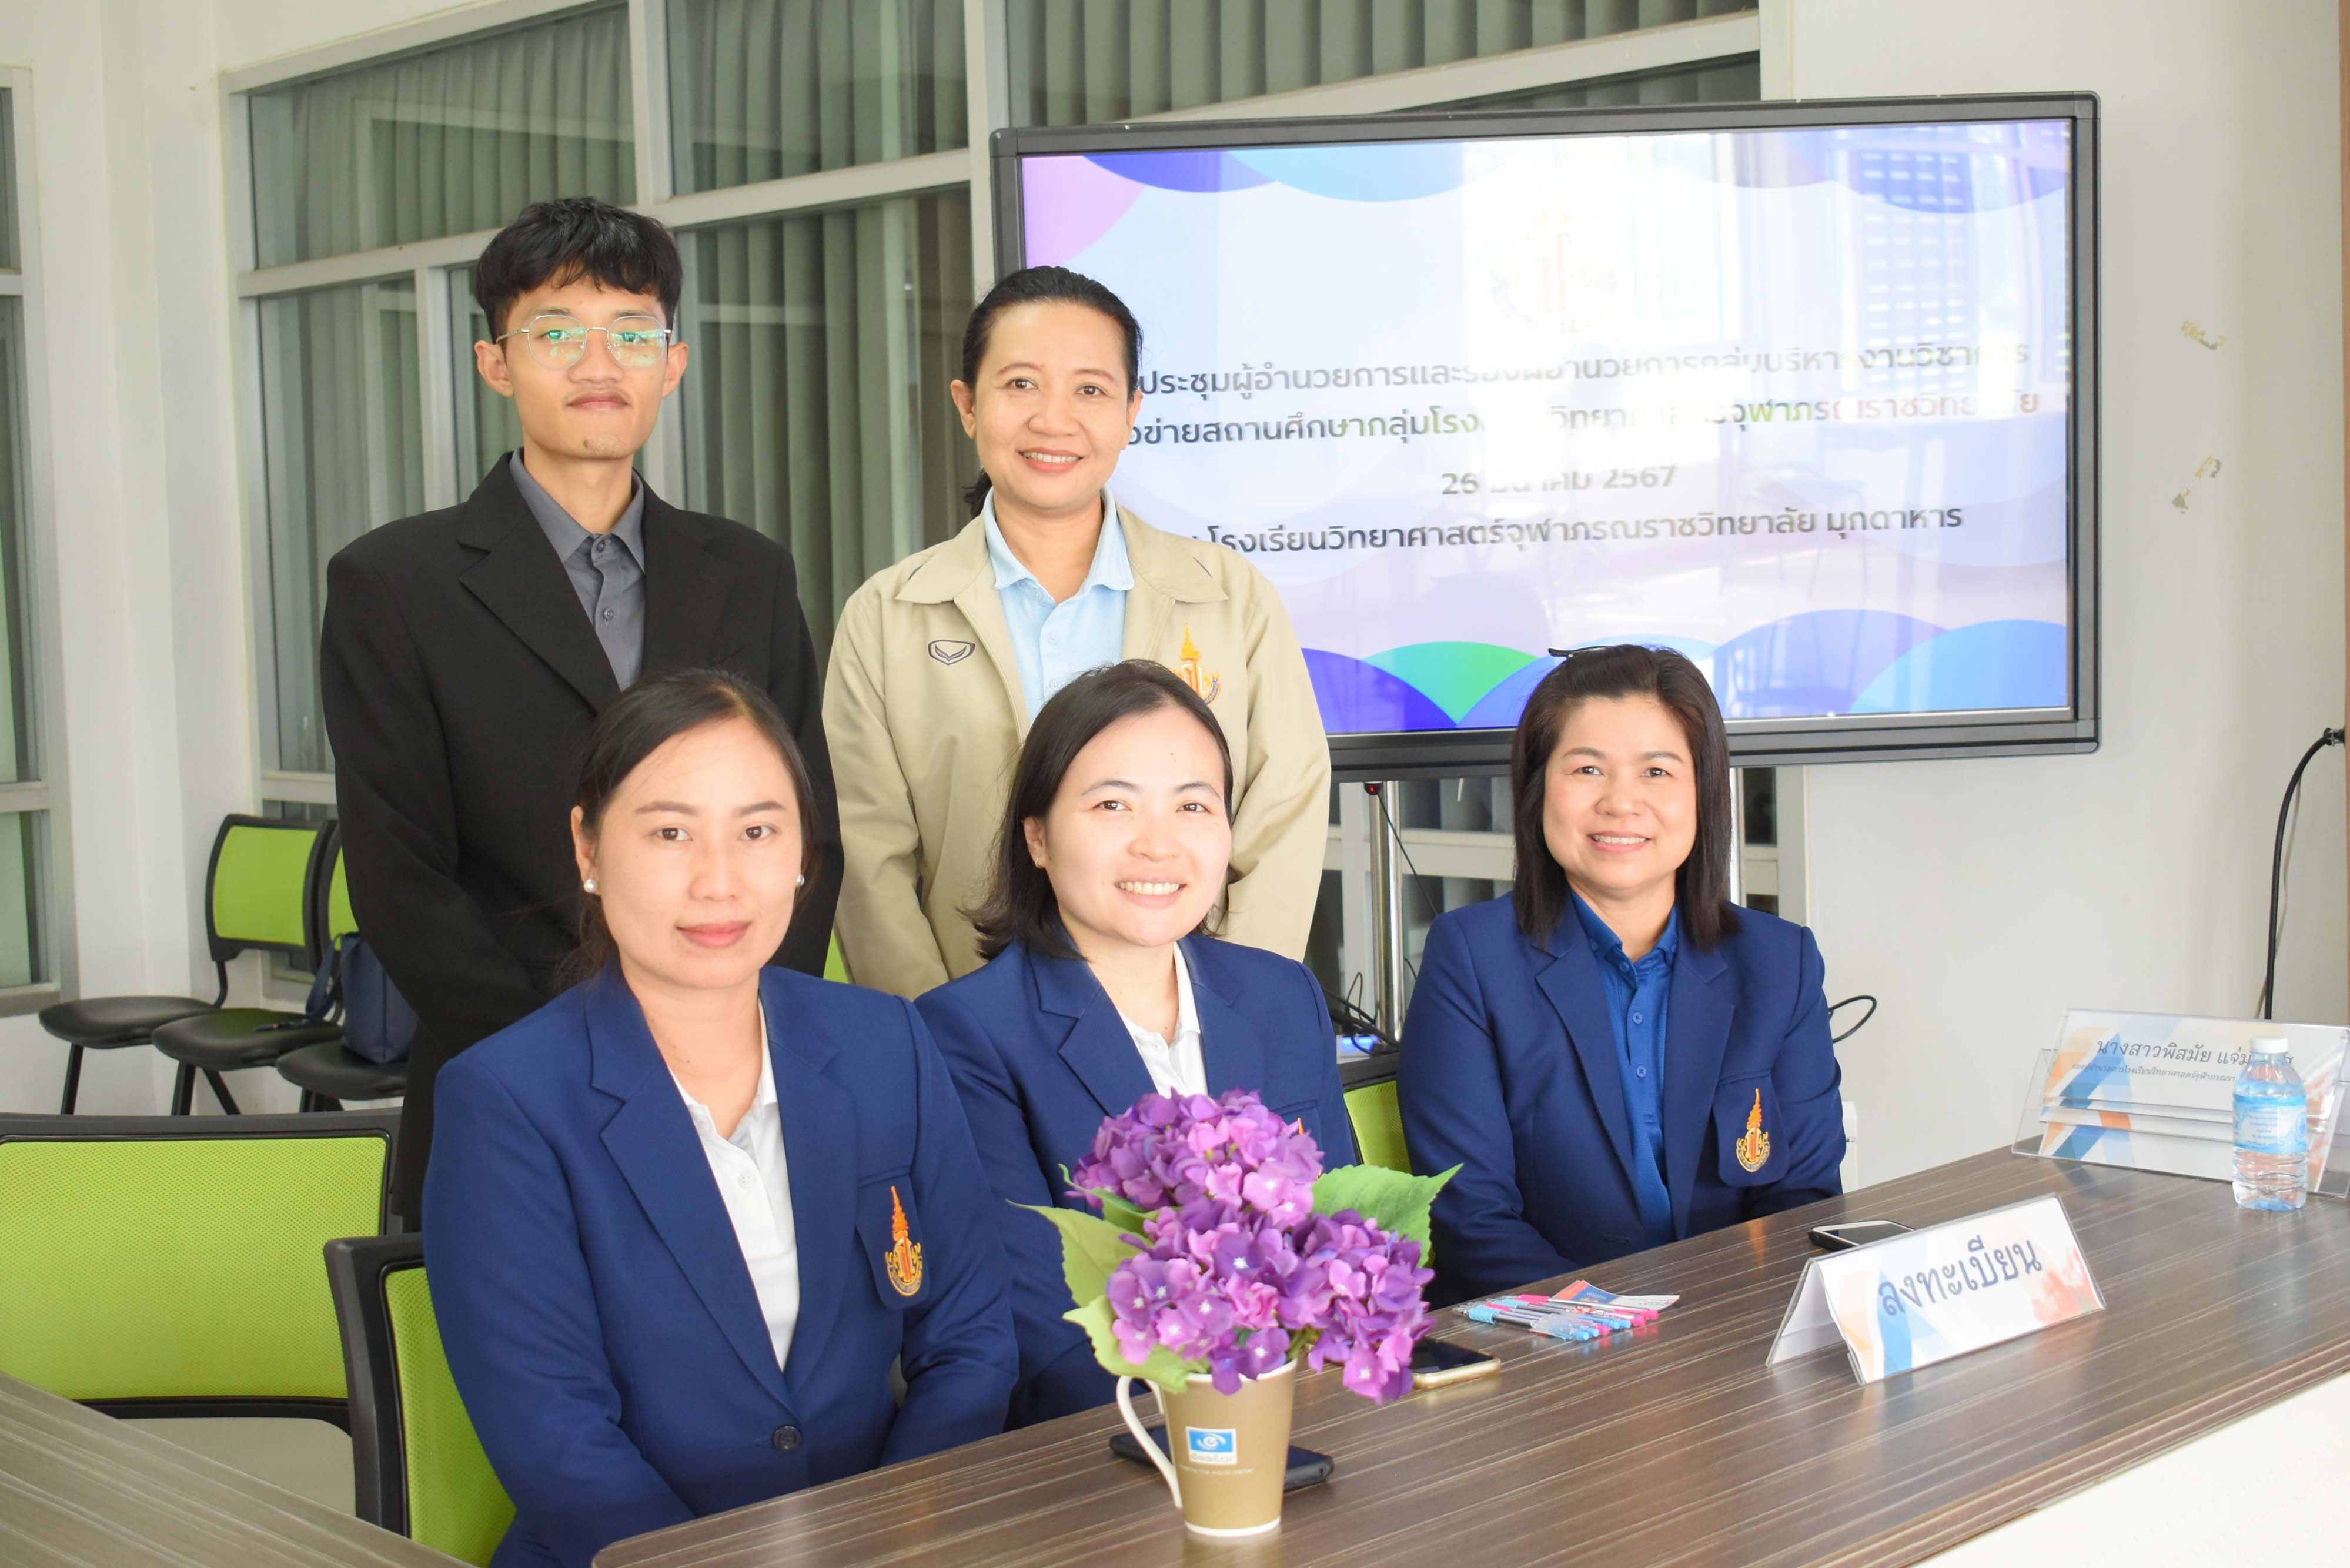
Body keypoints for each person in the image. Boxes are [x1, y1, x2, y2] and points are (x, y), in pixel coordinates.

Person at [320, 197, 838, 1222]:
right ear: (496, 363)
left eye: (631, 334)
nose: (599, 365)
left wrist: (735, 1033)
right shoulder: (395, 583)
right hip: (511, 1080)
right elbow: (399, 876)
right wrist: (578, 1058)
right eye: (556, 333)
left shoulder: (749, 573)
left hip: (736, 1087)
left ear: (672, 363)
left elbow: (804, 830)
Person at [424, 670, 1014, 1568]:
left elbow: (970, 1342)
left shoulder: (886, 1042)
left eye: (758, 830)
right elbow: (557, 1439)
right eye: (670, 832)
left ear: (803, 851)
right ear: (588, 847)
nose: (720, 880)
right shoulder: (507, 1099)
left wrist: (893, 1538)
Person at [824, 265, 1329, 999]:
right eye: (1021, 385)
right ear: (968, 406)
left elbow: (1283, 814)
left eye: (1090, 390)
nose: (1053, 420)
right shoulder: (887, 615)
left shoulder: (1229, 597)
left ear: (1131, 412)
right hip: (972, 1017)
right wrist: (938, 1030)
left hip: (1195, 1016)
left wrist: (1233, 1007)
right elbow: (867, 856)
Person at [918, 660, 1355, 1426]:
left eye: (1193, 805)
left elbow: (1345, 1241)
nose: (1159, 845)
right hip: (1113, 1442)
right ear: (1037, 837)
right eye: (1113, 805)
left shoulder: (1283, 996)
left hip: (1316, 1419)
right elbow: (1045, 1334)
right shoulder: (964, 1033)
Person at [1399, 646, 1845, 1306]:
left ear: (1704, 793)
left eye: (1656, 771)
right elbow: (1471, 1219)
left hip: (1734, 1328)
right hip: (1551, 1342)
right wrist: (1615, 1327)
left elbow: (1803, 1199)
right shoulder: (1470, 956)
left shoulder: (1781, 961)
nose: (1621, 802)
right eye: (1587, 769)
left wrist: (1722, 1331)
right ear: (1537, 789)